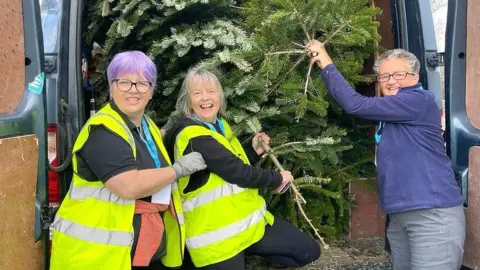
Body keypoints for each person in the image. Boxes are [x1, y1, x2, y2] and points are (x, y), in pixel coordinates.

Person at [305, 40, 466, 270]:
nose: (390, 81)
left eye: (398, 75)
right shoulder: (393, 110)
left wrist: (325, 62)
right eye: (384, 76)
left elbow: (355, 105)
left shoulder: (418, 101)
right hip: (400, 216)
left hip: (432, 216)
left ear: (415, 77)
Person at [49, 51, 207, 270]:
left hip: (134, 252)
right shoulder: (103, 130)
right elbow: (128, 186)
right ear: (111, 86)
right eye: (124, 82)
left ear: (151, 90)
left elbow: (146, 154)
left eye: (142, 83)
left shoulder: (147, 125)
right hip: (97, 256)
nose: (133, 90)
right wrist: (177, 170)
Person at [162, 68, 321, 270]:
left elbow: (228, 162)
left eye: (211, 92)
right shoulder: (193, 136)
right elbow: (238, 172)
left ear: (220, 96)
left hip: (248, 224)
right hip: (217, 237)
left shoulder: (219, 125)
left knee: (308, 251)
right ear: (188, 101)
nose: (205, 98)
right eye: (197, 93)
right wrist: (277, 178)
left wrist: (253, 151)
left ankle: (249, 253)